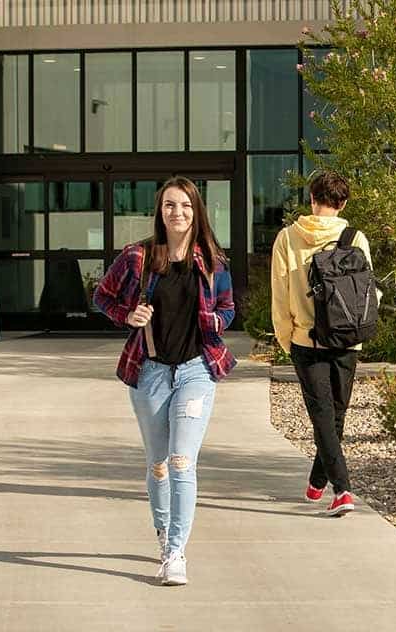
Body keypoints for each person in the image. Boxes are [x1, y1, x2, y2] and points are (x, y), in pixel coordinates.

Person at [94, 176, 236, 585]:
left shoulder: (212, 261)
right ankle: (163, 533)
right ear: (160, 211)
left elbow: (228, 308)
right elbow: (102, 296)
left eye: (186, 206)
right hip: (151, 371)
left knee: (181, 461)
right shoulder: (138, 257)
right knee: (158, 463)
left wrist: (216, 321)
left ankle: (176, 553)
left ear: (197, 211)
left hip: (196, 370)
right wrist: (127, 316)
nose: (178, 213)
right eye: (170, 205)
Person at [271, 171, 372, 517]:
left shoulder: (286, 239)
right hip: (347, 339)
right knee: (334, 415)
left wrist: (288, 340)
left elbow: (280, 298)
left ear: (311, 198)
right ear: (342, 203)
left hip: (306, 340)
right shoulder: (355, 238)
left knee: (324, 415)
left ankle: (325, 481)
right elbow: (366, 293)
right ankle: (340, 487)